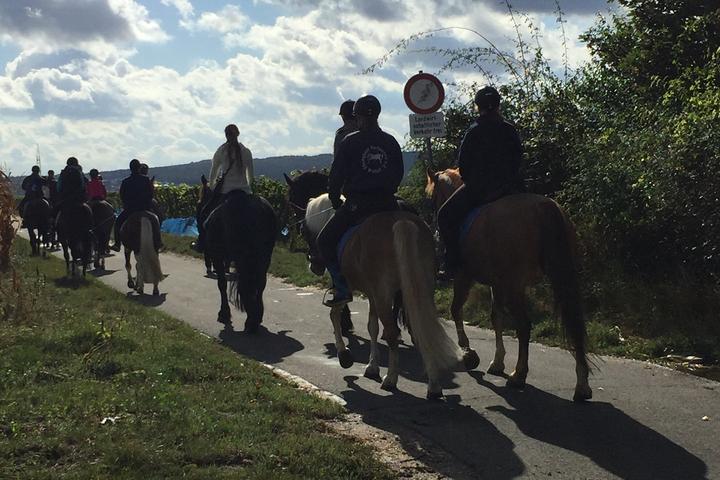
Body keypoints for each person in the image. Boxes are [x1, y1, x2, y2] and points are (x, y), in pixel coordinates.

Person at [317, 95, 404, 307]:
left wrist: (335, 197)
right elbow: (398, 172)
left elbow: (336, 175)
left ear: (358, 118)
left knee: (324, 241)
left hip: (358, 206)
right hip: (388, 204)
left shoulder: (349, 141)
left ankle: (342, 287)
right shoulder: (390, 141)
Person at [437, 85, 524, 276]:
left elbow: (465, 167)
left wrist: (474, 182)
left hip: (479, 191)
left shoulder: (474, 132)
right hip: (510, 188)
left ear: (478, 107)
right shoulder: (509, 129)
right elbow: (518, 157)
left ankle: (453, 263)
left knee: (444, 216)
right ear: (499, 105)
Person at [191, 123, 254, 253]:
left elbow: (213, 173)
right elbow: (251, 176)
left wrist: (213, 188)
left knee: (204, 215)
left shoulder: (221, 151)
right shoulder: (246, 151)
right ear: (238, 134)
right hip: (245, 191)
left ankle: (201, 242)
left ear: (226, 135)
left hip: (226, 191)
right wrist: (247, 188)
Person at [111, 159, 162, 252]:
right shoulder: (146, 179)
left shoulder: (126, 181)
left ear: (130, 169)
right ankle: (159, 242)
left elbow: (122, 196)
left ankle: (117, 244)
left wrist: (127, 204)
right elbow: (151, 194)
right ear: (139, 168)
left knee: (118, 223)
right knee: (156, 220)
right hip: (144, 208)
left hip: (130, 210)